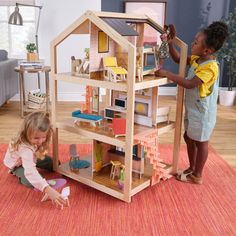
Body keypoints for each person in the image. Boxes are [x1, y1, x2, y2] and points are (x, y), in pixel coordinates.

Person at [155, 21, 228, 184]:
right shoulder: (197, 59)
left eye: (195, 43)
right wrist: (170, 42)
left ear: (207, 50)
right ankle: (192, 167)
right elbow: (178, 59)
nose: (192, 43)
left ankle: (197, 175)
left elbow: (190, 83)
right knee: (188, 137)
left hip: (202, 113)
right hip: (193, 109)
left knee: (201, 141)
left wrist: (167, 74)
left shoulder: (210, 68)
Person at [4, 111, 68, 208]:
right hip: (18, 164)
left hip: (33, 157)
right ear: (26, 134)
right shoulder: (25, 149)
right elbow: (30, 172)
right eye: (36, 138)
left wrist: (39, 149)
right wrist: (47, 189)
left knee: (55, 163)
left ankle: (39, 173)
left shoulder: (36, 141)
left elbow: (39, 147)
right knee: (32, 181)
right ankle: (15, 172)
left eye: (43, 137)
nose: (40, 141)